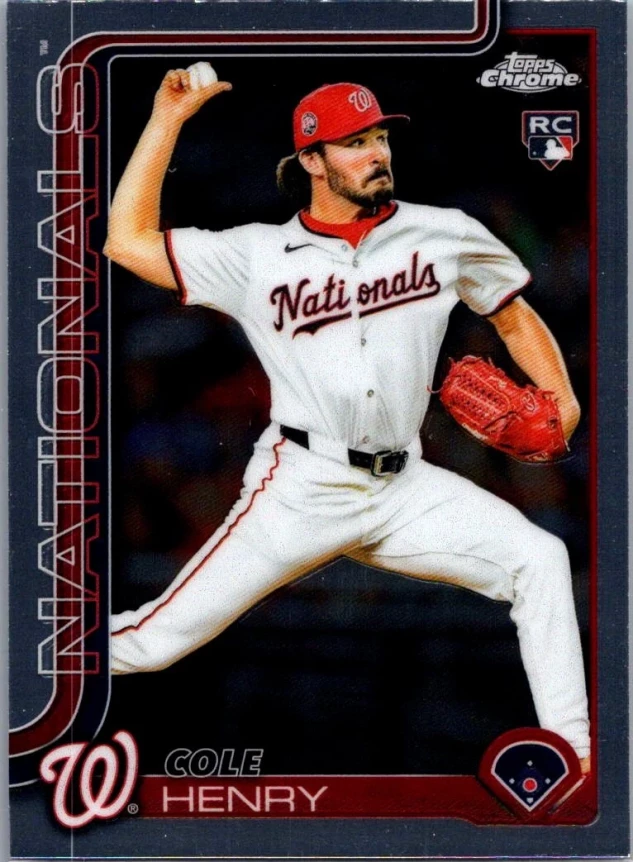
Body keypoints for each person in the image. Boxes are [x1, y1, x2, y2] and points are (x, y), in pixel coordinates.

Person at [105, 70, 590, 773]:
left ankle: (574, 759)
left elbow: (512, 316)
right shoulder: (255, 254)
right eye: (355, 143)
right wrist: (167, 119)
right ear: (311, 160)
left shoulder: (444, 233)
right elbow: (127, 240)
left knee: (539, 559)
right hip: (304, 485)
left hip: (405, 486)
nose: (377, 153)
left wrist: (562, 400)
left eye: (380, 137)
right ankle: (30, 671)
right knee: (152, 645)